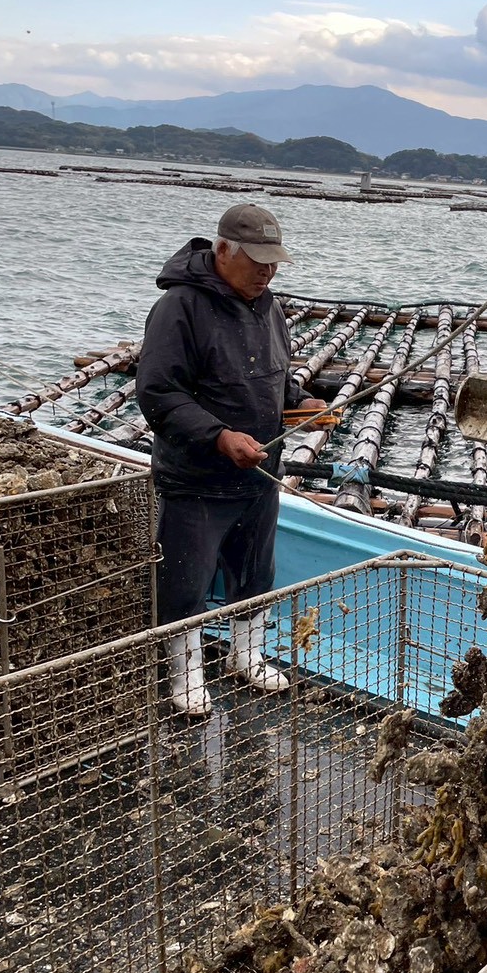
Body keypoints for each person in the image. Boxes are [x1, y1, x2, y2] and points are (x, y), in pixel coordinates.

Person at [136, 203, 328, 716]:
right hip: (196, 479)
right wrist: (219, 436)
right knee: (185, 582)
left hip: (260, 472)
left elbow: (274, 375)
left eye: (274, 262)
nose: (267, 271)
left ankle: (246, 655)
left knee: (254, 571)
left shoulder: (269, 305)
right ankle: (184, 674)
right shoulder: (179, 307)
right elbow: (158, 392)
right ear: (222, 250)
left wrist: (299, 403)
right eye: (257, 260)